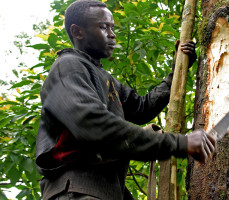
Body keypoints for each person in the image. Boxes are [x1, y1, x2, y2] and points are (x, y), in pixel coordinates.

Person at [35, 0, 216, 199]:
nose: (112, 34)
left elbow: (142, 108)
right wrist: (181, 143)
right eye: (103, 27)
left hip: (107, 190)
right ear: (78, 32)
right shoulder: (68, 66)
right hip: (75, 191)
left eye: (112, 27)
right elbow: (95, 125)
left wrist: (178, 69)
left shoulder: (106, 80)